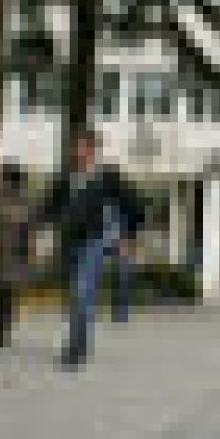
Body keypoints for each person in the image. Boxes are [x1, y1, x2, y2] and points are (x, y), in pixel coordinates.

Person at [34, 128, 142, 369]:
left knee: (82, 290)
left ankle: (75, 348)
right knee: (75, 294)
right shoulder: (67, 176)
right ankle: (80, 342)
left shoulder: (108, 177)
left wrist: (129, 238)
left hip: (94, 241)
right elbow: (49, 206)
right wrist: (41, 230)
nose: (77, 152)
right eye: (76, 147)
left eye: (82, 147)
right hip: (68, 241)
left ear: (93, 149)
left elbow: (132, 205)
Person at [0, 164, 33, 348]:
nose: (2, 183)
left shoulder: (22, 205)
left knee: (5, 295)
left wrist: (25, 258)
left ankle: (1, 333)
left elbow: (26, 234)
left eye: (5, 179)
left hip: (11, 257)